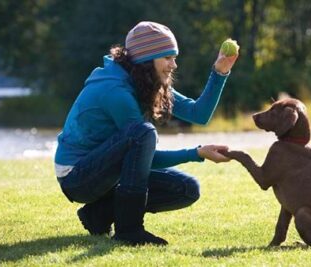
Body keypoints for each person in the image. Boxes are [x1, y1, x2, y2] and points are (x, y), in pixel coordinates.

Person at [54, 21, 238, 246]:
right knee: (143, 133)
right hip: (77, 176)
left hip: (107, 171)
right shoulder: (116, 90)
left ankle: (99, 213)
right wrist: (196, 153)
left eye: (174, 57)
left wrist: (220, 72)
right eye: (167, 58)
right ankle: (129, 230)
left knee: (186, 189)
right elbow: (145, 154)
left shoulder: (144, 79)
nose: (174, 65)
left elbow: (198, 114)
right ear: (145, 60)